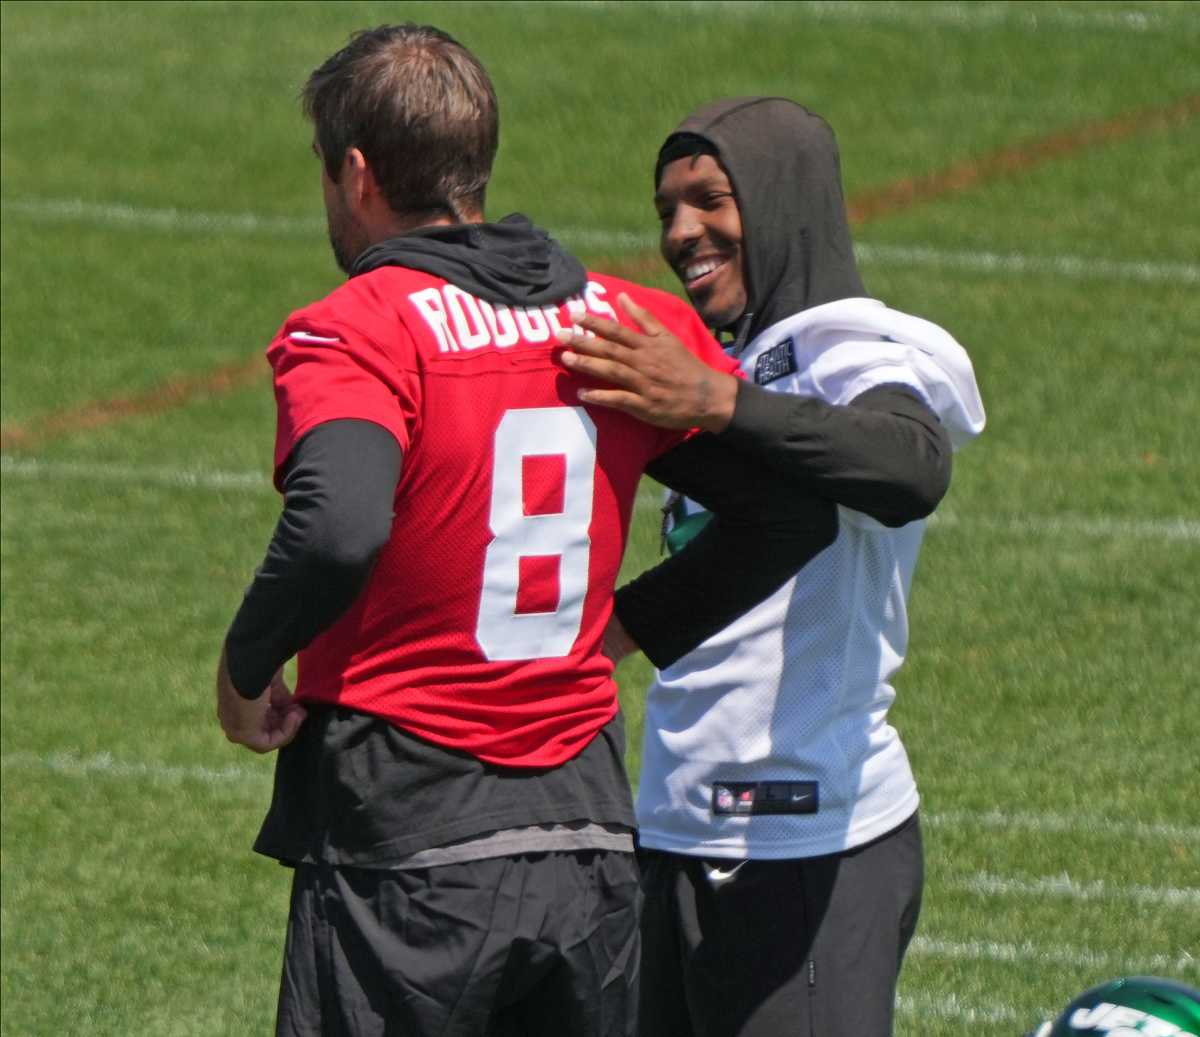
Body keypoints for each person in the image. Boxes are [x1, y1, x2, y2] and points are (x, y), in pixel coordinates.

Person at [214, 34, 840, 1037]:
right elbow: (792, 510)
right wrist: (627, 627)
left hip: (404, 844)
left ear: (360, 174)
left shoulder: (359, 325)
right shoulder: (622, 320)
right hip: (585, 837)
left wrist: (244, 669)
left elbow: (337, 523)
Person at [556, 97, 986, 1037]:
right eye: (667, 208)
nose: (681, 231)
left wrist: (716, 401)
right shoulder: (731, 356)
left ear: (782, 198)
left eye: (710, 199)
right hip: (674, 827)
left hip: (805, 843)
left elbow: (911, 467)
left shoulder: (857, 349)